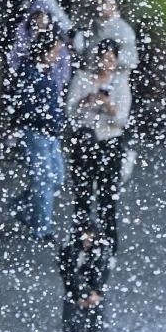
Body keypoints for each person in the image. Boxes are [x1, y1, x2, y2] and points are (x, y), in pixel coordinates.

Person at [66, 39, 133, 252]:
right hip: (85, 142)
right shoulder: (82, 79)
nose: (107, 64)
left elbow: (121, 119)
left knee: (107, 197)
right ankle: (81, 241)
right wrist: (86, 101)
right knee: (82, 195)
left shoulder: (120, 84)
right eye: (104, 59)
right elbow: (70, 112)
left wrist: (109, 105)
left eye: (111, 60)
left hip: (109, 142)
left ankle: (108, 244)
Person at [8, 16, 67, 240]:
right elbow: (25, 106)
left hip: (49, 132)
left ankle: (21, 207)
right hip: (36, 132)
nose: (56, 56)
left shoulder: (43, 71)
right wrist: (45, 119)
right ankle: (42, 228)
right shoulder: (29, 73)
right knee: (44, 181)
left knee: (56, 177)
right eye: (54, 51)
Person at [59, 218, 110, 332]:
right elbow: (69, 274)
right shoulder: (69, 249)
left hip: (94, 299)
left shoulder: (102, 248)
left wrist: (96, 293)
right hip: (75, 301)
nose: (87, 238)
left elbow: (103, 271)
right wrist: (82, 295)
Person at [79, 0, 139, 71]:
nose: (99, 5)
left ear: (114, 6)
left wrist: (110, 58)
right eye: (97, 0)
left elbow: (132, 61)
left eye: (104, 2)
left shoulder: (124, 30)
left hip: (115, 77)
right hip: (90, 75)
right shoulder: (91, 26)